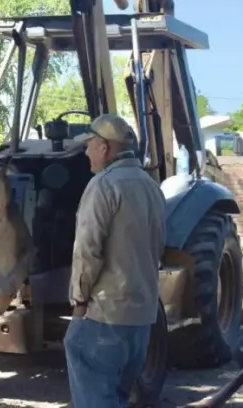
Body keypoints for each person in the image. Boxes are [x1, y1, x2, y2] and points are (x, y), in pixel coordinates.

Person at [64, 114, 166, 408]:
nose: (86, 152)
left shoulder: (103, 186)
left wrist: (80, 303)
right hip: (142, 320)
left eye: (89, 145)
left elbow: (87, 251)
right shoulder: (151, 187)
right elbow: (157, 248)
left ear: (104, 147)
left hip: (105, 317)